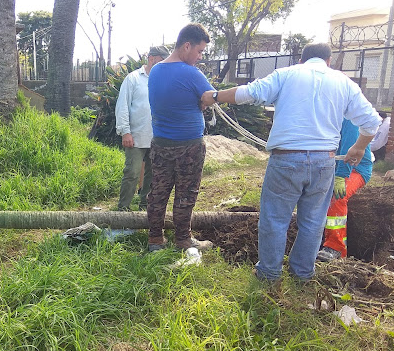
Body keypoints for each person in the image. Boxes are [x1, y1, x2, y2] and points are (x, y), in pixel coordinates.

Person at [202, 43, 381, 282]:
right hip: (324, 162)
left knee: (275, 219)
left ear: (301, 60)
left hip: (286, 159)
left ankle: (268, 274)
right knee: (314, 222)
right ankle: (303, 273)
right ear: (328, 61)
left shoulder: (286, 75)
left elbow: (249, 93)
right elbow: (372, 121)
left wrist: (214, 96)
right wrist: (358, 147)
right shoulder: (344, 83)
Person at [146, 23, 215, 251]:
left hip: (160, 144)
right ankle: (183, 240)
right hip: (189, 148)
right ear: (187, 45)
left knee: (158, 191)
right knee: (186, 193)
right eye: (199, 51)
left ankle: (155, 239)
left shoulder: (155, 70)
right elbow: (209, 98)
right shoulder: (191, 73)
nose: (199, 57)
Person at [115, 45, 170, 211]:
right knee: (132, 173)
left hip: (157, 137)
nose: (164, 64)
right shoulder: (133, 79)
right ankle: (123, 209)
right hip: (136, 137)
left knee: (153, 176)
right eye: (162, 60)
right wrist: (125, 132)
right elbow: (122, 106)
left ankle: (145, 208)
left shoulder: (163, 80)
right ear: (151, 58)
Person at [317, 119, 373, 262]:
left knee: (337, 196)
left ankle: (335, 247)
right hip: (332, 165)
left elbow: (350, 149)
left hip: (356, 168)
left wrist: (341, 176)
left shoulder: (349, 119)